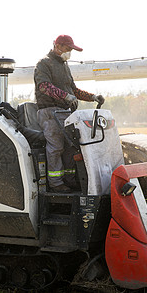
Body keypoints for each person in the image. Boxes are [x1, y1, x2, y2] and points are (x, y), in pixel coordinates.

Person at [34, 35, 105, 193]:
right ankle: (56, 183)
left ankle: (69, 180)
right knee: (56, 147)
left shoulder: (64, 66)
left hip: (65, 112)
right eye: (67, 49)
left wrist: (92, 97)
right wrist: (65, 96)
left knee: (70, 147)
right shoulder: (44, 63)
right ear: (57, 46)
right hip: (49, 111)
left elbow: (73, 90)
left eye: (71, 50)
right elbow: (44, 86)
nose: (69, 53)